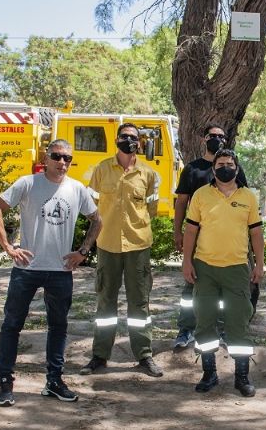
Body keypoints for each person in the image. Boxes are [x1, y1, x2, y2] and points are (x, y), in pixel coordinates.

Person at [0, 139, 101, 406]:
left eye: (68, 159)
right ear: (46, 157)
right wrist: (9, 248)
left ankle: (54, 381)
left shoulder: (77, 189)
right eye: (57, 156)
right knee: (12, 326)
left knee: (58, 327)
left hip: (60, 271)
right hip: (26, 269)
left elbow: (97, 219)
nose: (62, 163)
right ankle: (5, 383)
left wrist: (83, 252)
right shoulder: (28, 183)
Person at [79, 123, 163, 377]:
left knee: (140, 304)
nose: (129, 141)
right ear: (117, 139)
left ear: (140, 142)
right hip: (108, 245)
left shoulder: (148, 174)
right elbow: (90, 206)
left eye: (134, 138)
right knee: (105, 303)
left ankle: (144, 355)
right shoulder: (101, 170)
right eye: (125, 137)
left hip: (138, 246)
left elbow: (151, 209)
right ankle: (100, 356)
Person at [182, 149, 265, 397]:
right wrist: (187, 261)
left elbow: (256, 234)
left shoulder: (248, 197)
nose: (225, 167)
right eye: (220, 164)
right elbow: (190, 231)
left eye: (230, 164)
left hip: (237, 269)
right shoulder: (201, 195)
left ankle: (241, 377)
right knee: (204, 321)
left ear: (237, 169)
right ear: (213, 168)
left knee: (238, 323)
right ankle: (209, 374)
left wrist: (259, 264)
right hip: (204, 268)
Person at [172, 123, 251, 348]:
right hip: (198, 239)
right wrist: (177, 232)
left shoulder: (235, 168)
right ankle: (185, 329)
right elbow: (181, 203)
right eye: (212, 136)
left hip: (228, 244)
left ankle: (224, 330)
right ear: (204, 139)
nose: (216, 139)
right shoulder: (193, 169)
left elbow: (243, 203)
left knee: (228, 291)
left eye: (220, 136)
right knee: (191, 286)